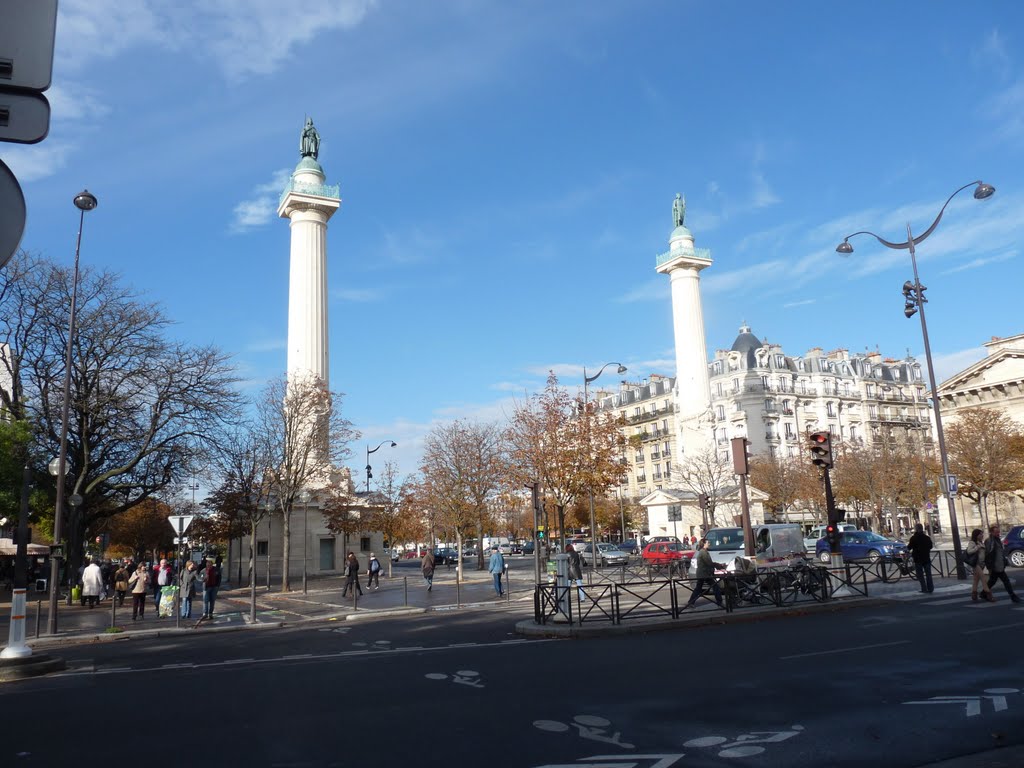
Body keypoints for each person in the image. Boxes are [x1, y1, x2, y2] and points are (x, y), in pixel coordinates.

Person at [682, 539, 724, 610]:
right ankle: (719, 602)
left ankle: (691, 602)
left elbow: (709, 563)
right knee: (715, 587)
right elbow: (709, 563)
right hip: (704, 574)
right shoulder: (703, 552)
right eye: (708, 542)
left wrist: (717, 565)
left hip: (703, 574)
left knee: (698, 589)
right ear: (704, 544)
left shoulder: (703, 552)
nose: (709, 544)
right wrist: (719, 565)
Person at [985, 525, 1021, 603]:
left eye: (998, 532)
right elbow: (988, 554)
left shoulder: (997, 540)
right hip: (996, 565)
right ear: (991, 532)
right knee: (1006, 581)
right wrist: (990, 566)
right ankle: (1013, 596)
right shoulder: (989, 541)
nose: (998, 533)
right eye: (996, 532)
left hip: (999, 564)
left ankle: (983, 593)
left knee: (992, 581)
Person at [966, 528, 994, 603]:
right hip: (976, 563)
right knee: (983, 578)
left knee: (976, 579)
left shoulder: (981, 542)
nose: (982, 535)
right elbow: (969, 551)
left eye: (982, 534)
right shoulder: (972, 542)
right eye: (980, 534)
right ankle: (989, 594)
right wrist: (977, 547)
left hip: (982, 563)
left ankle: (974, 594)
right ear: (976, 535)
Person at [907, 523, 934, 593]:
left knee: (920, 575)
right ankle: (930, 588)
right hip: (926, 558)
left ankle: (924, 588)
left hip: (918, 559)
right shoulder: (927, 538)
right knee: (928, 574)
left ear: (916, 529)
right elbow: (931, 546)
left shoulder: (913, 538)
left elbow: (909, 547)